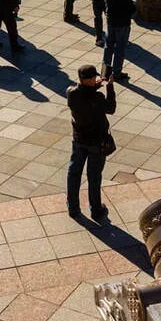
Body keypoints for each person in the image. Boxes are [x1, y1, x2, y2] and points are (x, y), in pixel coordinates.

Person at [66, 64, 115, 222]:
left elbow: (84, 95)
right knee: (94, 176)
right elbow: (111, 108)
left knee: (74, 173)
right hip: (96, 142)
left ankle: (73, 208)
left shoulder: (71, 94)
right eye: (93, 78)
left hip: (79, 140)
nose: (95, 79)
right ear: (88, 79)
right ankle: (96, 209)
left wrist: (94, 86)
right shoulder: (98, 98)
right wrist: (110, 87)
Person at [101, 0, 135, 81]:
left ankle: (105, 71)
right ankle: (116, 73)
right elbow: (130, 7)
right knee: (120, 47)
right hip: (122, 22)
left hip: (110, 19)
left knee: (108, 45)